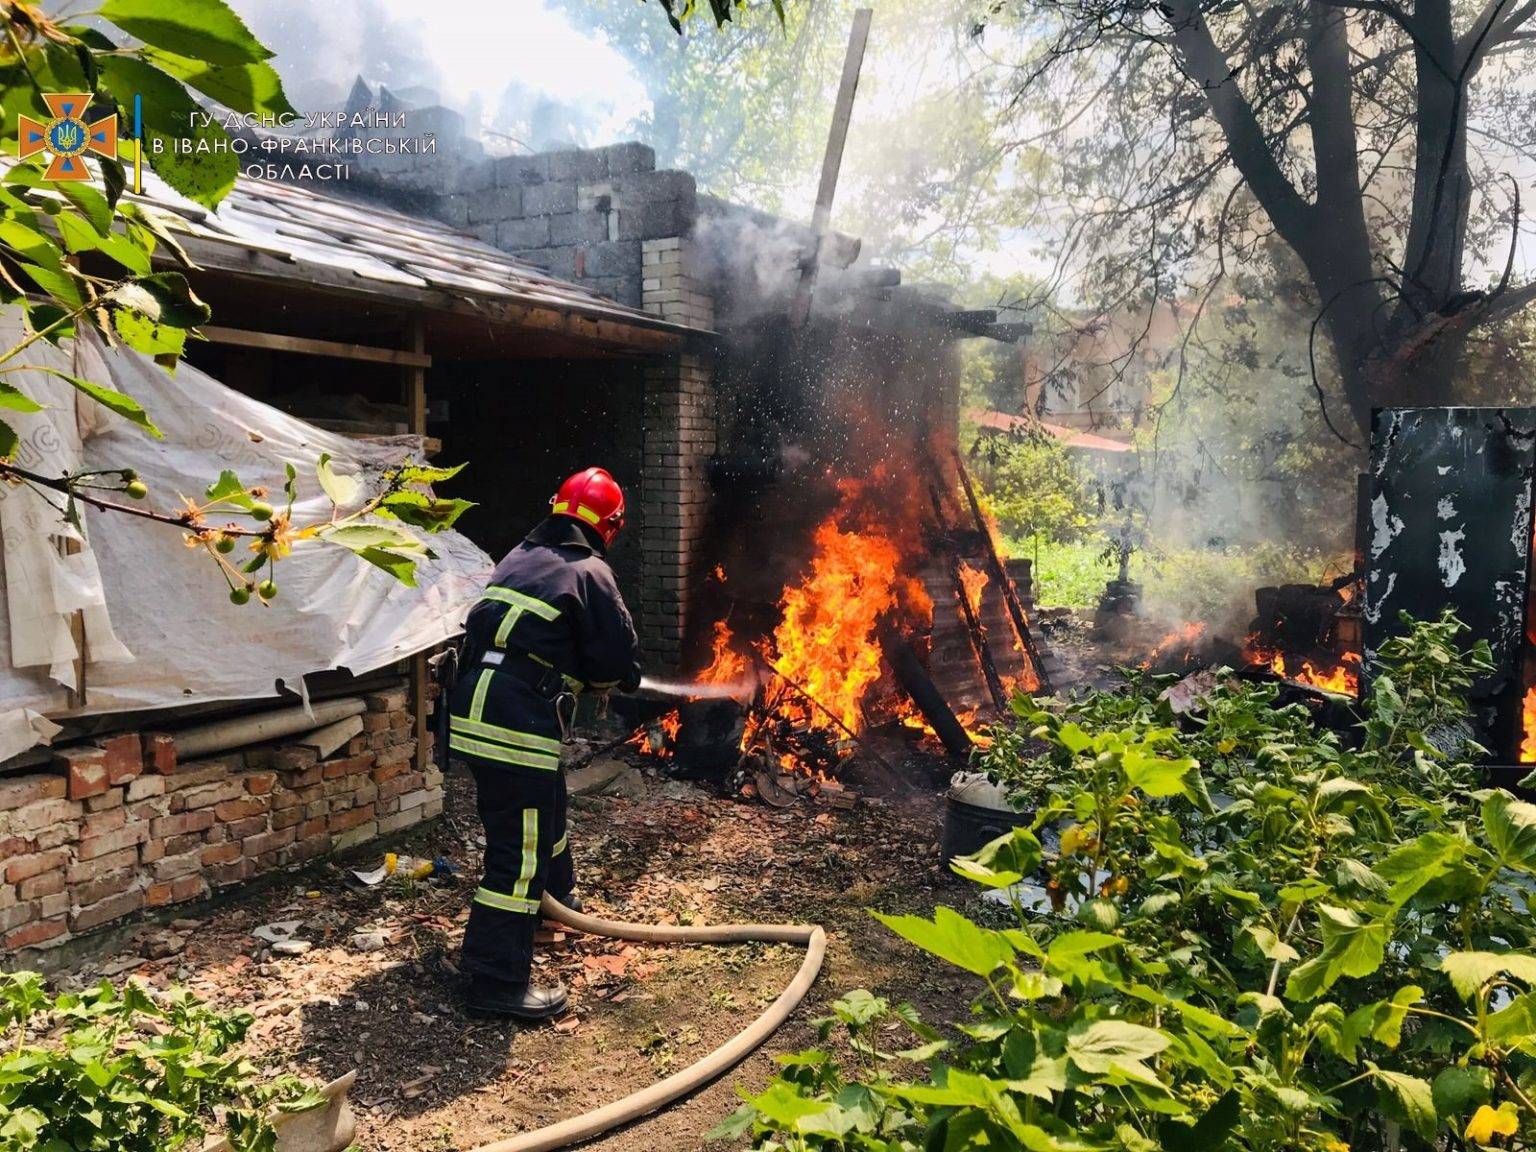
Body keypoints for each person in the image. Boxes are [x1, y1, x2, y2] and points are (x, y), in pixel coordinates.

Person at [449, 467, 642, 1020]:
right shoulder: (591, 572)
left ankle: (556, 902)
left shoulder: (520, 557)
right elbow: (612, 660)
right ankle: (494, 979)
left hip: (474, 709)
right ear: (611, 526)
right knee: (519, 853)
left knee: (544, 803)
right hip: (515, 722)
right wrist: (618, 676)